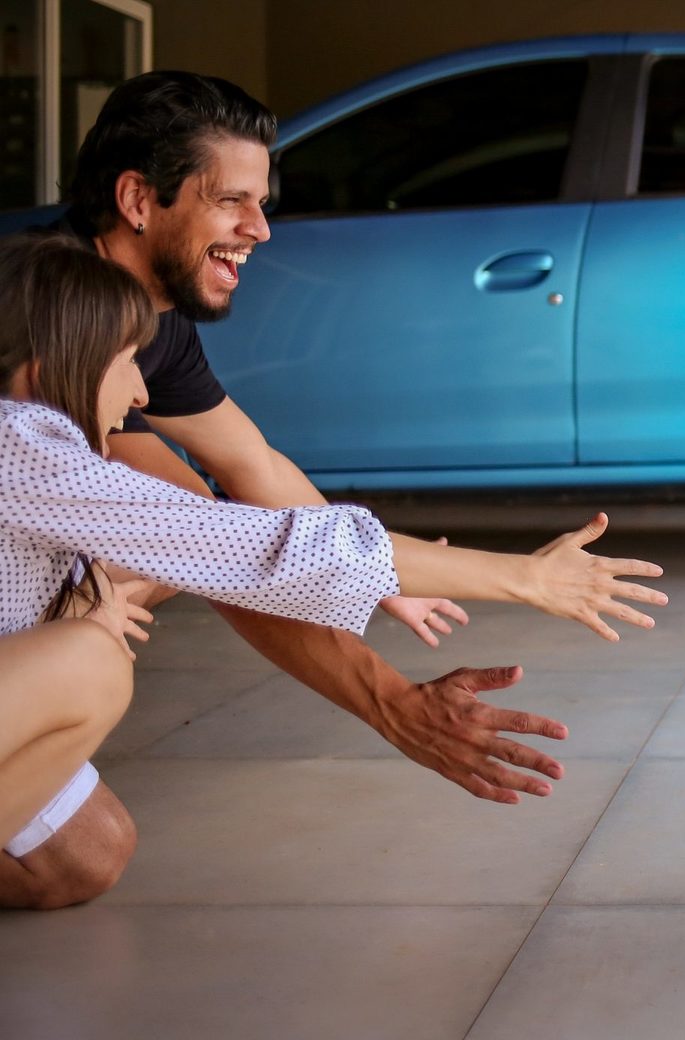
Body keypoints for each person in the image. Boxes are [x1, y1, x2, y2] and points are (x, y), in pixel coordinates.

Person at [5, 70, 608, 909]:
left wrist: (385, 575)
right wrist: (422, 659)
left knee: (85, 856)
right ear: (140, 198)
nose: (260, 228)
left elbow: (254, 468)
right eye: (234, 202)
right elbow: (229, 546)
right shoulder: (44, 332)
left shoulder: (132, 321)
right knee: (101, 643)